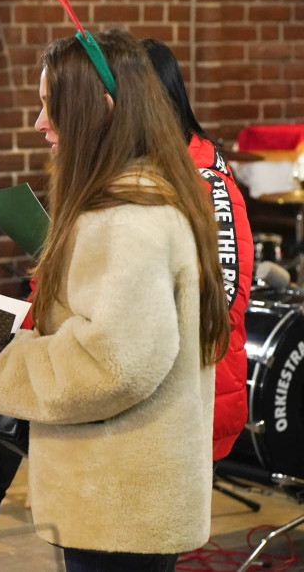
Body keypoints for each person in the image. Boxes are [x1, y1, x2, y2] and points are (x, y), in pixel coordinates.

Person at [0, 28, 230, 571]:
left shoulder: (126, 220)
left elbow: (114, 364)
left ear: (102, 109)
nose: (39, 123)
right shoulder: (140, 200)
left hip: (119, 500)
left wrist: (13, 360)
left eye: (52, 106)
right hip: (121, 493)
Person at [142, 38, 252, 461]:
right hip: (160, 399)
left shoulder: (208, 179)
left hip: (193, 398)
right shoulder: (154, 167)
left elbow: (222, 303)